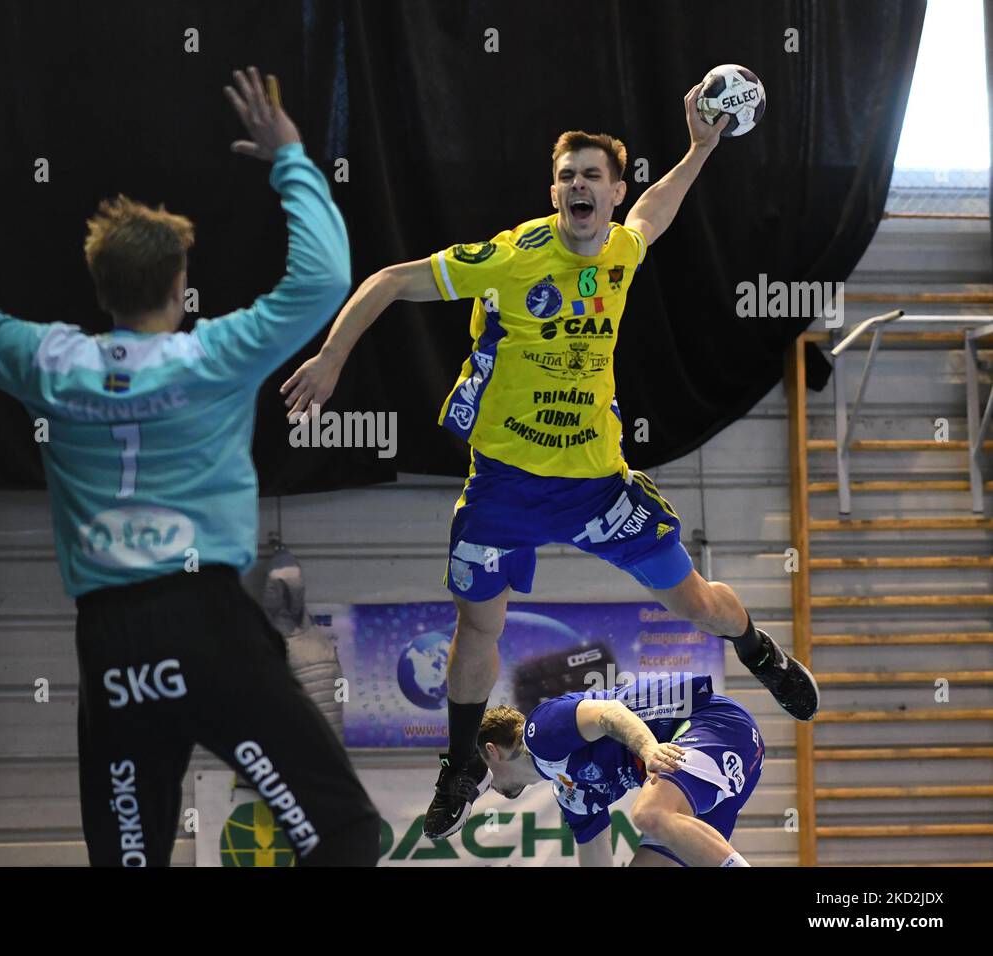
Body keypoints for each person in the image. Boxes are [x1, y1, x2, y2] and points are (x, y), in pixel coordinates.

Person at [280, 83, 818, 839]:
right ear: (554, 190)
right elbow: (389, 280)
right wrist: (333, 359)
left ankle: (758, 648)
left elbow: (654, 216)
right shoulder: (510, 257)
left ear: (613, 190)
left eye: (591, 175)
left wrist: (701, 147)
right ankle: (461, 762)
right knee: (478, 626)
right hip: (505, 486)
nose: (576, 187)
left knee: (694, 603)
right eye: (566, 176)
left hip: (599, 485)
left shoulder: (622, 250)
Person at [0, 66, 380, 866]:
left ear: (100, 285)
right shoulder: (215, 353)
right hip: (209, 621)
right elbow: (321, 280)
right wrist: (291, 156)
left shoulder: (50, 361)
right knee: (344, 833)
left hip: (112, 642)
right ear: (182, 287)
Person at [479, 673, 763, 866]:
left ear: (493, 751)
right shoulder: (569, 793)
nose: (484, 785)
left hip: (716, 724)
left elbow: (609, 713)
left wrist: (649, 749)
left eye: (479, 770)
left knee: (650, 813)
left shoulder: (539, 733)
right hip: (713, 772)